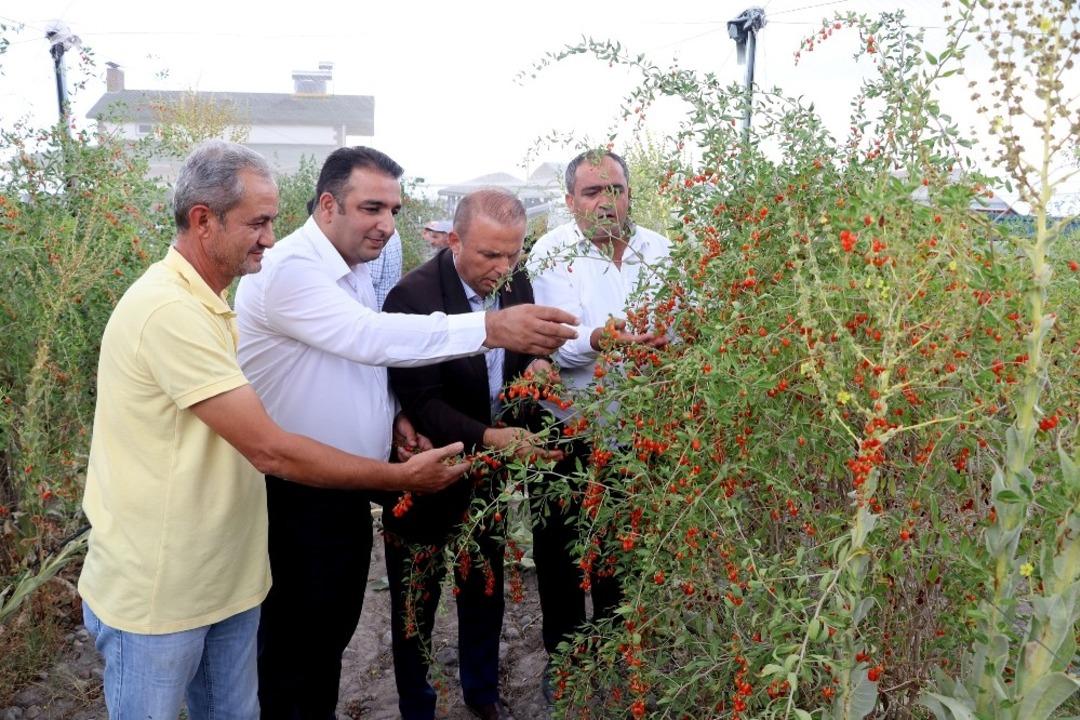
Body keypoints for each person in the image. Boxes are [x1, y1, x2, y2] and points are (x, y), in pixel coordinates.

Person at [77, 140, 470, 720]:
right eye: (258, 222)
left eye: (271, 222)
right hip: (163, 587)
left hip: (224, 573)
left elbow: (343, 369)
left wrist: (393, 420)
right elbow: (269, 448)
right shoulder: (170, 312)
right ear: (203, 221)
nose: (269, 237)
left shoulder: (209, 304)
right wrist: (395, 476)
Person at [234, 147, 578, 719]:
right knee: (300, 650)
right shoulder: (292, 270)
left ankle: (479, 692)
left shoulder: (353, 272)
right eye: (372, 208)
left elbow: (362, 364)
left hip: (349, 487)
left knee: (324, 646)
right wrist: (490, 328)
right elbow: (373, 339)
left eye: (393, 209)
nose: (387, 225)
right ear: (327, 204)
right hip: (299, 495)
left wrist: (392, 418)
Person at [382, 189, 560, 720]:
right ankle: (418, 705)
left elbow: (531, 350)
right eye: (489, 256)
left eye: (514, 254)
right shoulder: (410, 297)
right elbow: (421, 400)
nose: (503, 268)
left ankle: (482, 695)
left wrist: (538, 367)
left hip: (489, 477)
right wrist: (489, 438)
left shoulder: (516, 284)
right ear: (455, 240)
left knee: (482, 586)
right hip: (425, 469)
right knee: (416, 601)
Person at [525, 148, 670, 701]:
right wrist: (600, 339)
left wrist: (669, 345)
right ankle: (563, 658)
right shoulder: (551, 253)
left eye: (614, 190)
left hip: (641, 431)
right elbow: (550, 345)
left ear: (630, 193)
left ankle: (614, 651)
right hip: (569, 431)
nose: (605, 203)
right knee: (560, 548)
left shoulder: (661, 250)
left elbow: (686, 321)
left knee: (621, 546)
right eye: (591, 193)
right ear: (569, 202)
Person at [369, 229, 403, 309]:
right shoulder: (393, 234)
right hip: (388, 306)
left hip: (376, 308)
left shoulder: (376, 236)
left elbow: (372, 277)